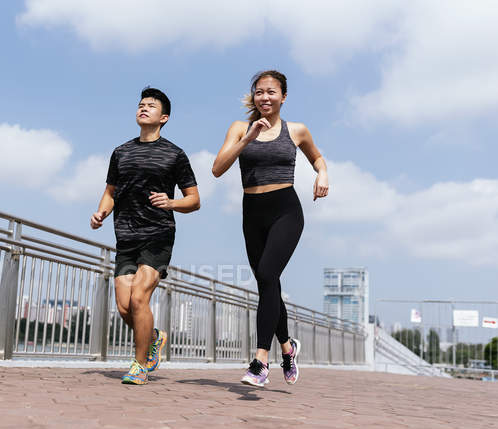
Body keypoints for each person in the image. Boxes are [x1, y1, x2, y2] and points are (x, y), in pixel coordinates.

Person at [212, 70, 329, 387]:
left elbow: (317, 159)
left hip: (285, 211)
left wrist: (322, 175)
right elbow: (217, 169)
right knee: (268, 282)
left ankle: (261, 361)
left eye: (271, 92)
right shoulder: (240, 128)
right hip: (252, 212)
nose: (264, 97)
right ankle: (288, 348)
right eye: (259, 92)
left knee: (266, 274)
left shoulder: (297, 130)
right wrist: (247, 139)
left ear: (283, 96)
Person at [91, 87, 200, 385]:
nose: (143, 108)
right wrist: (101, 213)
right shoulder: (121, 152)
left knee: (139, 298)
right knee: (125, 306)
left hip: (158, 234)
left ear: (163, 117)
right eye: (140, 104)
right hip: (125, 237)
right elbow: (110, 192)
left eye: (150, 106)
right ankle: (154, 337)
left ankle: (139, 366)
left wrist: (171, 202)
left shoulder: (175, 154)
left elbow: (194, 200)